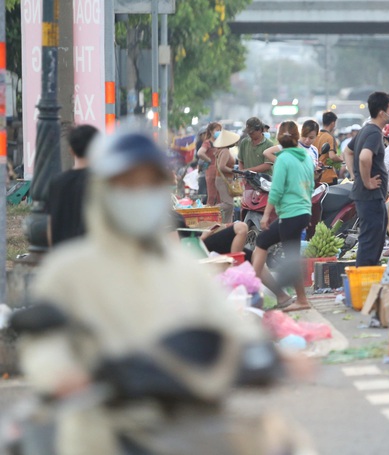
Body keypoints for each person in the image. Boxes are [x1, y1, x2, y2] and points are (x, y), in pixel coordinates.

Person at [18, 131, 272, 455]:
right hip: (99, 434)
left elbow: (224, 323)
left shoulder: (183, 268)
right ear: (104, 191)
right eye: (128, 184)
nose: (140, 194)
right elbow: (44, 344)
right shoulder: (68, 271)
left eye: (150, 184)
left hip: (184, 424)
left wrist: (260, 348)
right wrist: (63, 375)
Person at [253, 121, 315, 312]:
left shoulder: (283, 158)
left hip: (291, 214)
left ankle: (251, 292)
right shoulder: (305, 157)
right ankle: (297, 298)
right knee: (289, 253)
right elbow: (311, 185)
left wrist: (265, 215)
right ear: (297, 137)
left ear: (279, 137)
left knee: (266, 242)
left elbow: (276, 190)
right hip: (303, 212)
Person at [344, 91, 389, 266]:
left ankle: (367, 276)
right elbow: (364, 157)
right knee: (370, 241)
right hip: (370, 196)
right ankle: (363, 280)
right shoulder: (373, 133)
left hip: (370, 196)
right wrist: (366, 181)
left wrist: (354, 174)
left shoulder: (365, 129)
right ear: (382, 113)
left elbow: (348, 151)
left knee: (375, 237)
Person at [47, 124, 99, 246]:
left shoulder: (57, 183)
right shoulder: (102, 182)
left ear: (71, 150)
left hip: (63, 254)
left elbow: (50, 225)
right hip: (92, 254)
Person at [212, 129, 241, 224]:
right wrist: (233, 170)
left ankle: (227, 224)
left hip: (223, 179)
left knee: (230, 206)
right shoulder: (225, 151)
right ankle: (211, 210)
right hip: (223, 179)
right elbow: (222, 166)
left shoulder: (223, 150)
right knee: (228, 204)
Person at [314, 111, 343, 185]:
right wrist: (341, 159)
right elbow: (332, 156)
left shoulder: (316, 136)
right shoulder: (329, 137)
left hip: (316, 177)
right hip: (328, 178)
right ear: (333, 123)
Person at [196, 122, 222, 205]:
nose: (219, 132)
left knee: (220, 196)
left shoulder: (219, 142)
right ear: (211, 131)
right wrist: (209, 160)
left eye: (220, 130)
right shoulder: (207, 143)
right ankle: (210, 216)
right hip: (211, 170)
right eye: (217, 130)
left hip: (220, 171)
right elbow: (200, 153)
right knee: (211, 196)